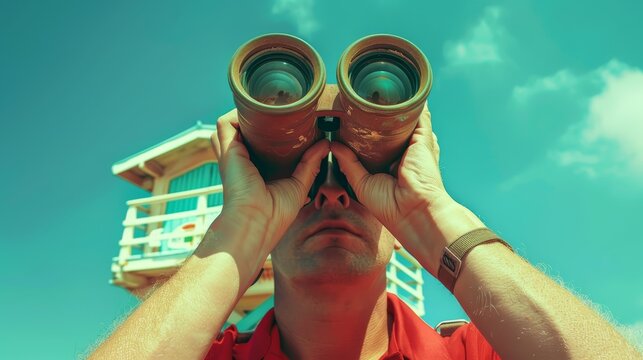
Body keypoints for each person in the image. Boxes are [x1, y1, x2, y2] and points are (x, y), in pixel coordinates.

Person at [89, 106, 640, 359]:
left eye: (362, 173)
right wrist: (241, 228)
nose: (331, 191)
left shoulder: (477, 353)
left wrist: (432, 214)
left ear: (397, 227)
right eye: (300, 174)